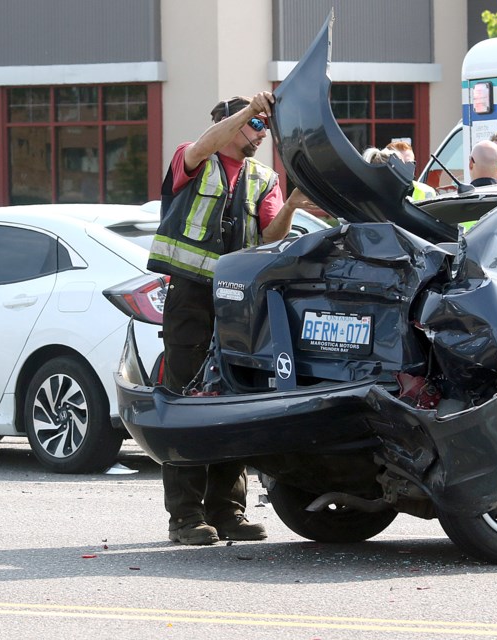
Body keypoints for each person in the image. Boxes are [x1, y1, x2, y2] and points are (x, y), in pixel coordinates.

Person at [148, 92, 306, 546]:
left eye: (263, 127)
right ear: (231, 124)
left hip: (237, 301)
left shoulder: (263, 178)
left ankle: (227, 511)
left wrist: (292, 205)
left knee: (232, 397)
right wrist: (247, 111)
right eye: (255, 126)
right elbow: (205, 143)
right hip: (191, 297)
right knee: (185, 397)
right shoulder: (192, 157)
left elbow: (272, 232)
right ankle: (185, 517)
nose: (261, 134)